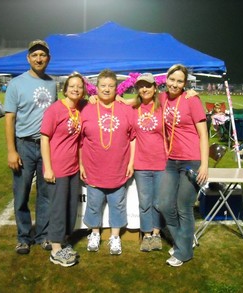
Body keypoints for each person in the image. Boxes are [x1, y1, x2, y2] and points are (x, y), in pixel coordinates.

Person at [4, 39, 56, 255]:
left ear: (48, 58)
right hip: (24, 145)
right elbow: (9, 119)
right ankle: (23, 237)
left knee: (45, 194)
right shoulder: (16, 83)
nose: (38, 58)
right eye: (34, 54)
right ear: (28, 58)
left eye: (42, 55)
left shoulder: (52, 83)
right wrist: (11, 150)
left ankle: (42, 235)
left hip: (46, 146)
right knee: (22, 193)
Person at [80, 69, 136, 255]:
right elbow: (80, 141)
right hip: (93, 167)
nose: (106, 89)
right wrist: (81, 164)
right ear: (96, 88)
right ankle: (94, 234)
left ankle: (115, 237)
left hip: (118, 167)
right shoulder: (87, 109)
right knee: (94, 203)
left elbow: (133, 137)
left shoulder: (125, 109)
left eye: (110, 86)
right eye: (103, 85)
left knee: (117, 204)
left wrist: (131, 163)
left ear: (116, 88)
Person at [158, 64, 209, 267]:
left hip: (191, 160)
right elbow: (137, 100)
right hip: (171, 160)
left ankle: (184, 253)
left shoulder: (192, 100)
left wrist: (204, 165)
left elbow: (203, 135)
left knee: (183, 207)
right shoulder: (162, 98)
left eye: (180, 81)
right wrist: (116, 98)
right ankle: (183, 242)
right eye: (172, 79)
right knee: (163, 204)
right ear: (166, 79)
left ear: (185, 84)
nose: (175, 84)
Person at [40, 73, 86, 267]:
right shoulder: (55, 110)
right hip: (57, 167)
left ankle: (64, 240)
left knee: (69, 207)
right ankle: (56, 249)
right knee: (58, 208)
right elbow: (44, 138)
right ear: (65, 89)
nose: (76, 89)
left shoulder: (79, 110)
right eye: (72, 86)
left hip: (72, 167)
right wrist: (48, 168)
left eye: (79, 86)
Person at [132, 73, 166, 252]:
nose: (144, 89)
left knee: (158, 202)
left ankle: (156, 233)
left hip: (161, 163)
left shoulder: (163, 106)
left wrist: (191, 92)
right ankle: (146, 235)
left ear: (155, 88)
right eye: (141, 86)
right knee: (144, 201)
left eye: (148, 85)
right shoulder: (133, 108)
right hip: (141, 164)